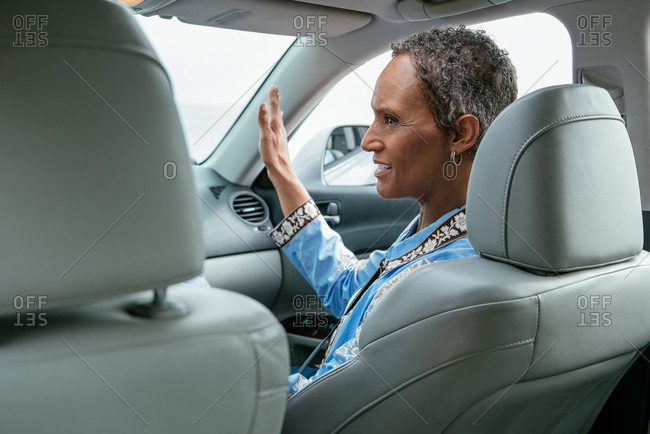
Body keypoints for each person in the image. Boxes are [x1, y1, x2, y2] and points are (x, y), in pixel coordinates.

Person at [258, 26, 517, 397]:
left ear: (460, 134)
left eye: (391, 120)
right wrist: (282, 173)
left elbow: (320, 402)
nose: (367, 141)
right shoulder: (459, 233)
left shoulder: (440, 282)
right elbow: (353, 287)